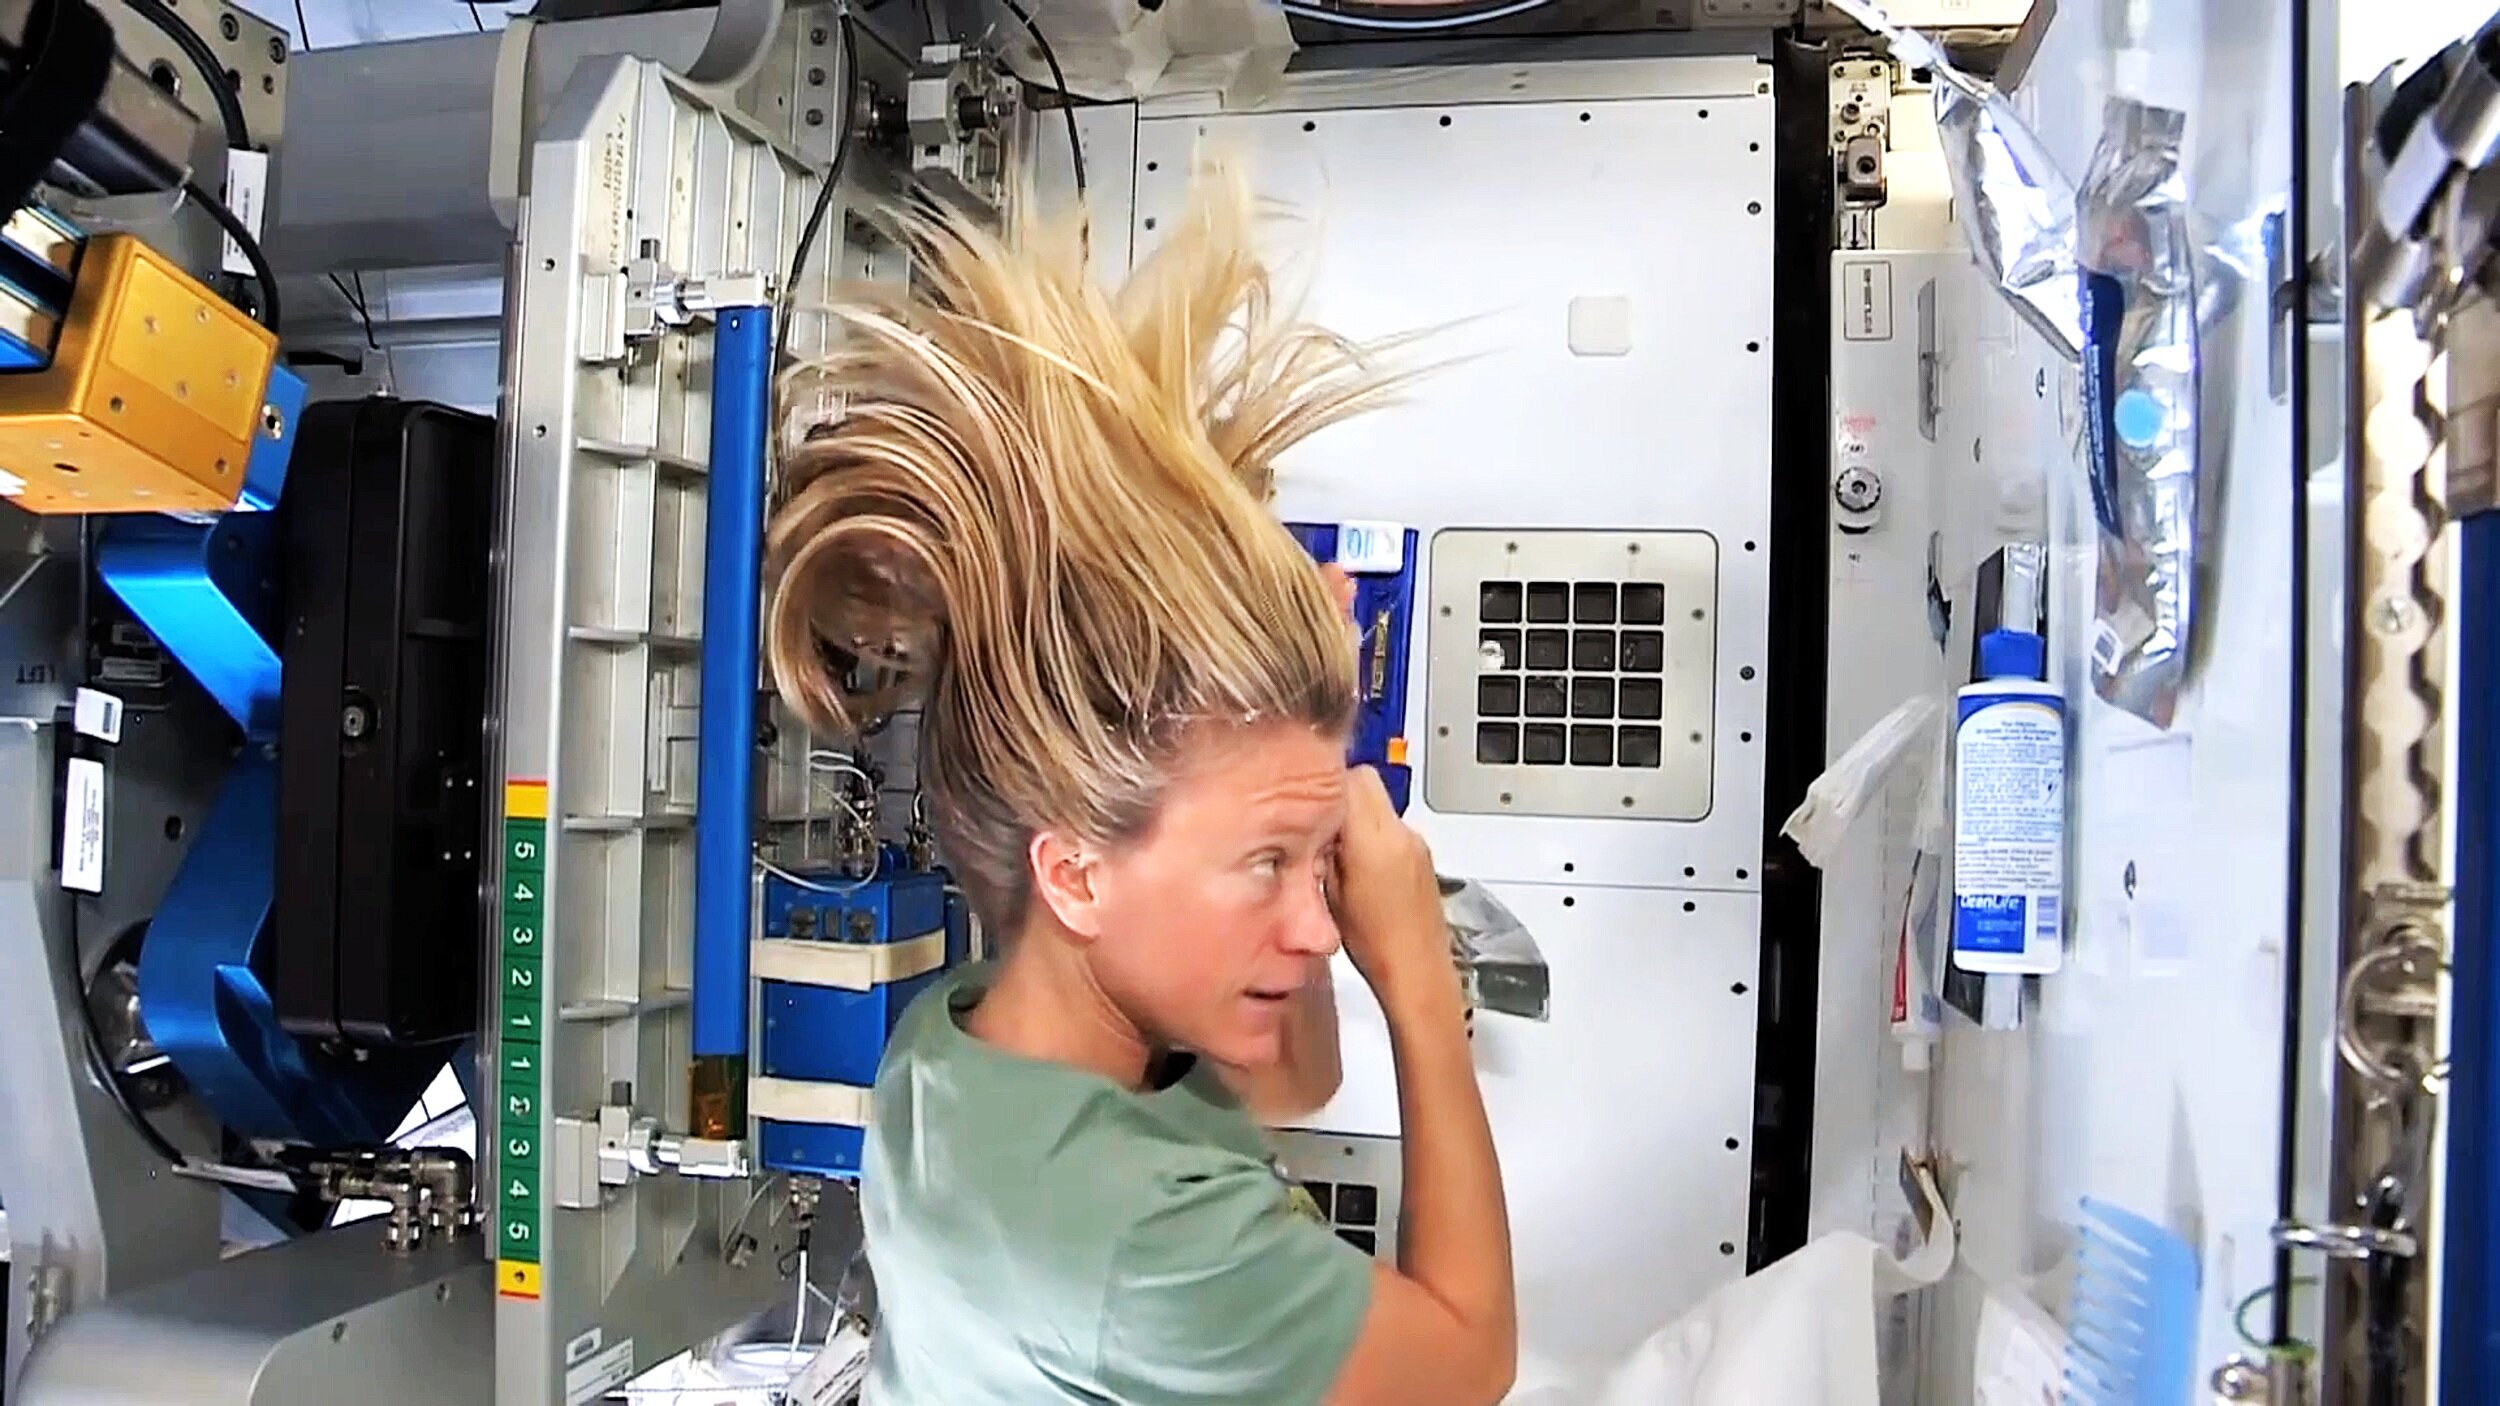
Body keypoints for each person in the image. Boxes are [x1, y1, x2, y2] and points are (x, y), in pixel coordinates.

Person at [764, 164, 1515, 1405]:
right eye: (1264, 865)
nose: (1315, 916)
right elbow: (1466, 1363)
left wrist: (1277, 796)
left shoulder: (970, 1046)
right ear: (1074, 870)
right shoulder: (1127, 1241)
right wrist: (1422, 990)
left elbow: (1290, 1080)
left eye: (1307, 856)